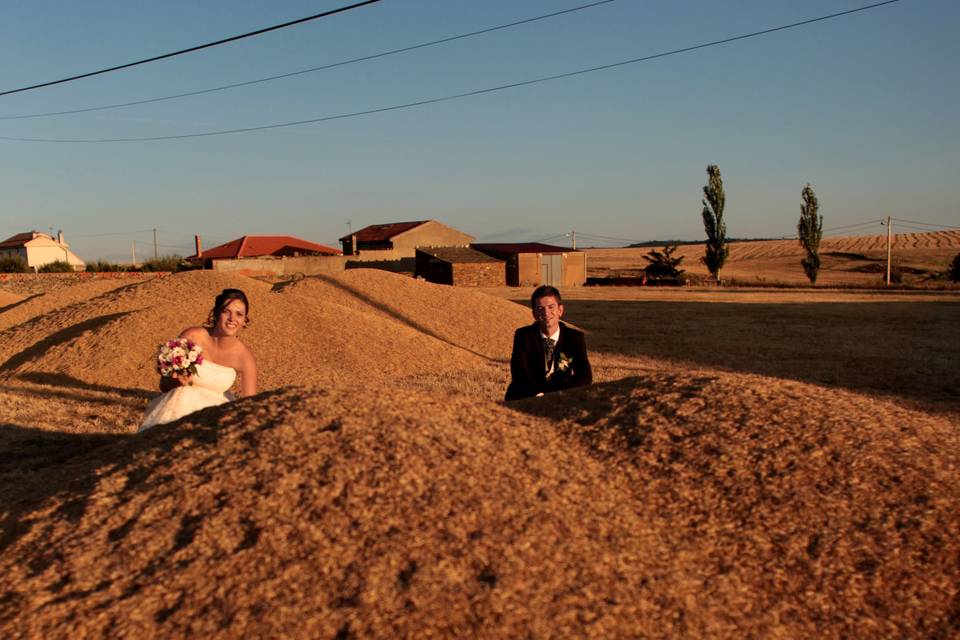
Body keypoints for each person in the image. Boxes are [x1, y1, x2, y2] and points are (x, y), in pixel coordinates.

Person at [139, 288, 258, 431]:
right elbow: (164, 385)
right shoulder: (193, 336)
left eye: (239, 314)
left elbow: (250, 406)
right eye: (226, 311)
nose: (232, 318)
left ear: (245, 321)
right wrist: (176, 381)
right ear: (216, 313)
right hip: (178, 408)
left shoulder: (245, 357)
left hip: (216, 416)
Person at [505, 285, 592, 401]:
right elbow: (519, 371)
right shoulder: (523, 336)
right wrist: (538, 395)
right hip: (527, 396)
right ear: (534, 314)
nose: (546, 313)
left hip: (562, 398)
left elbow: (584, 376)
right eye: (540, 308)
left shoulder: (574, 338)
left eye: (551, 307)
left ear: (560, 310)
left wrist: (559, 395)